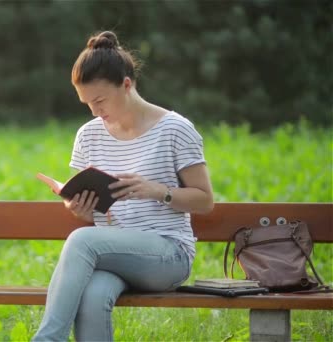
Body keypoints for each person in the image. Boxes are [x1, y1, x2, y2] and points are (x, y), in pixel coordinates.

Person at [32, 31, 214, 342]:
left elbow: (205, 201)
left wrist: (159, 190)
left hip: (167, 255)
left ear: (126, 85)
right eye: (86, 102)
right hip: (113, 253)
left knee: (81, 241)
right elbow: (91, 220)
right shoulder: (89, 135)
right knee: (91, 297)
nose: (94, 111)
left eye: (99, 100)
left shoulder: (176, 130)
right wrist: (78, 208)